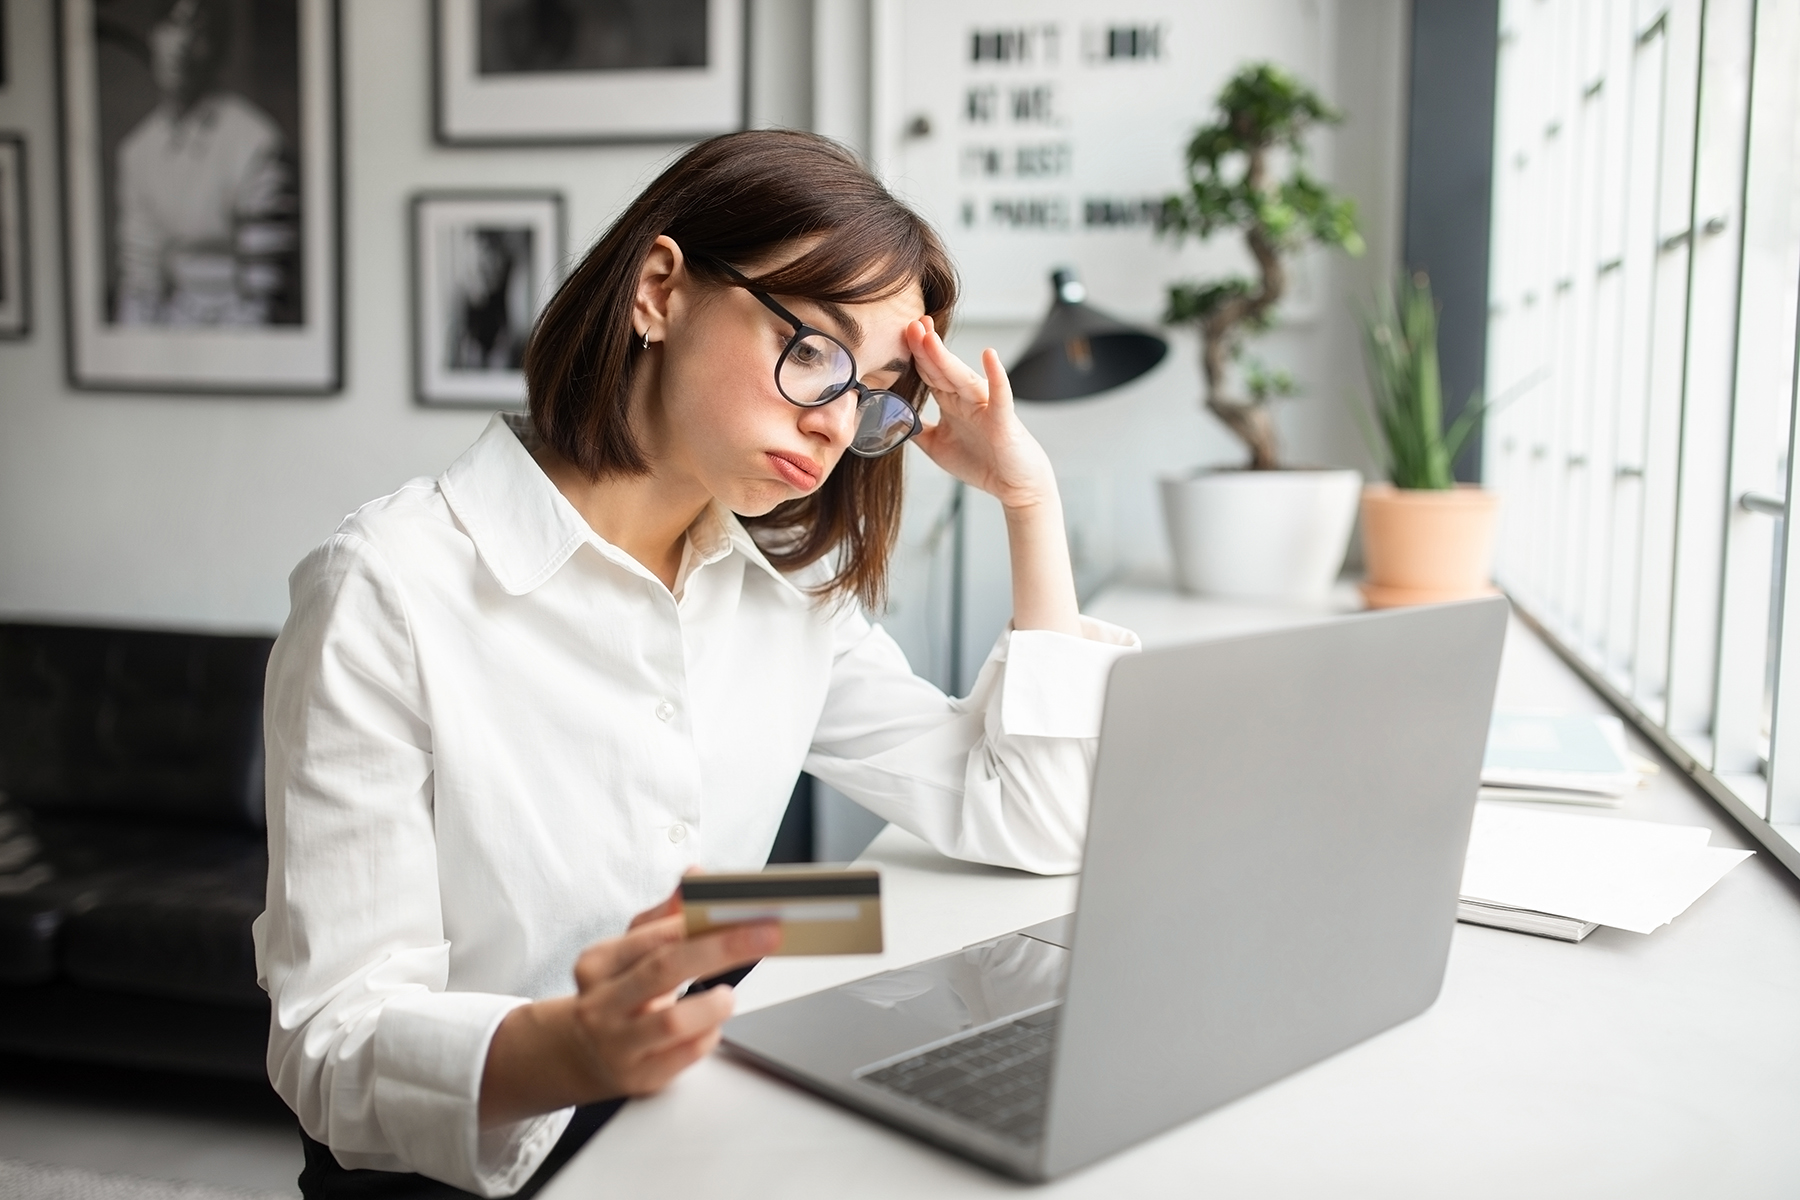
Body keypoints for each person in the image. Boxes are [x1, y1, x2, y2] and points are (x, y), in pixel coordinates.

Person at [255, 130, 1138, 1199]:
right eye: (813, 348)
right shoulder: (387, 588)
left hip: (699, 1118)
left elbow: (1033, 818)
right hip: (469, 1169)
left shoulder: (789, 600)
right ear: (662, 290)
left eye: (876, 392)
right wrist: (575, 1050)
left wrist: (1027, 503)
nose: (834, 419)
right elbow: (329, 1046)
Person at [114, 0, 298, 326]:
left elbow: (264, 298)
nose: (181, 44)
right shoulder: (137, 151)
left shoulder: (255, 142)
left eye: (198, 31)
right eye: (171, 25)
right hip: (171, 343)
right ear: (153, 36)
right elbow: (140, 284)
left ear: (217, 48)